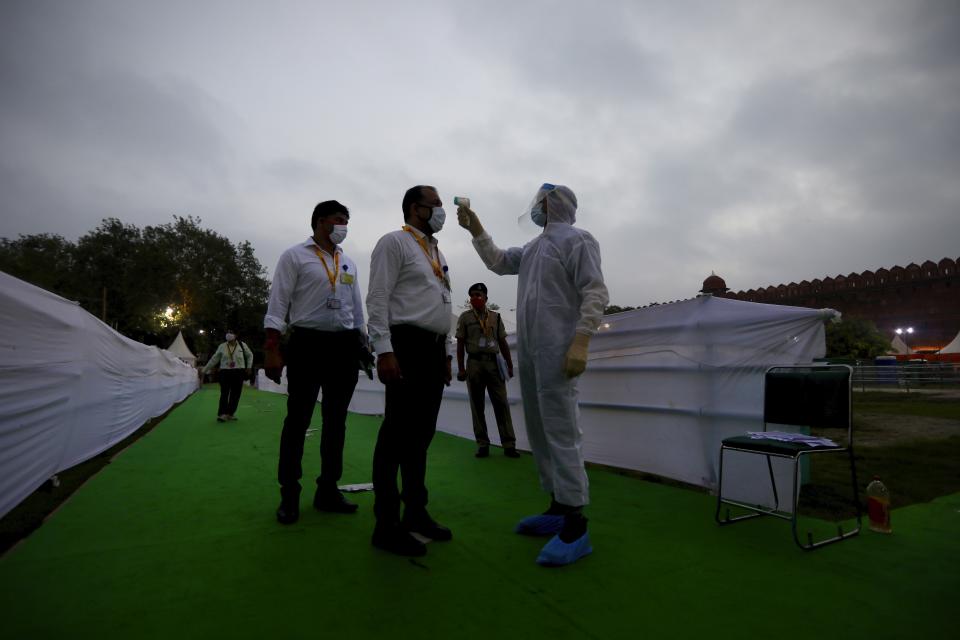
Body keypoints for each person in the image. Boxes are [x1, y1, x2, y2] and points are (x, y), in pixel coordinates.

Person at [457, 183, 608, 567]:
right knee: (540, 430)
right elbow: (496, 260)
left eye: (540, 203)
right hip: (534, 353)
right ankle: (558, 505)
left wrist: (582, 340)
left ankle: (576, 523)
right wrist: (476, 228)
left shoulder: (578, 240)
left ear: (552, 205)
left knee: (561, 429)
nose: (536, 209)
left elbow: (595, 291)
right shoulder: (535, 249)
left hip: (559, 350)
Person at [263, 200, 367, 525]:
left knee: (337, 422)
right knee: (298, 420)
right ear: (321, 222)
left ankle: (328, 490)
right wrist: (272, 347)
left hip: (344, 346)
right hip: (307, 343)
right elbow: (278, 302)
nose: (344, 226)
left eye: (347, 221)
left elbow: (356, 308)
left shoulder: (347, 263)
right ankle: (289, 493)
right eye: (339, 220)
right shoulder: (294, 256)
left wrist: (363, 344)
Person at [366, 185, 454, 557]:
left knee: (422, 435)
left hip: (433, 349)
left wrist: (447, 352)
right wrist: (384, 349)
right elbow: (378, 297)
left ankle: (416, 512)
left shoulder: (436, 252)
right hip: (405, 345)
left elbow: (444, 301)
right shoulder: (394, 243)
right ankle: (386, 525)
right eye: (435, 205)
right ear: (415, 209)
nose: (440, 210)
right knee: (396, 436)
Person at [455, 282, 518, 459]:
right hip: (474, 364)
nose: (475, 298)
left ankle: (509, 444)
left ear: (486, 298)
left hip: (494, 364)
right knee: (477, 405)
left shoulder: (495, 318)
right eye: (472, 295)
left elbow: (503, 343)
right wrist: (461, 368)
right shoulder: (465, 318)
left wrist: (509, 365)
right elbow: (460, 344)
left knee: (501, 403)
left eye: (478, 295)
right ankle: (482, 444)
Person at [202, 329, 253, 422]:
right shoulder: (222, 346)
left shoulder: (242, 345)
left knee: (236, 394)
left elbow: (250, 355)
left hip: (239, 372)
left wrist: (249, 367)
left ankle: (230, 413)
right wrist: (204, 370)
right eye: (227, 332)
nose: (229, 334)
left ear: (236, 335)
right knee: (224, 393)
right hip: (225, 372)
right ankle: (222, 414)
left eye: (231, 332)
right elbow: (214, 359)